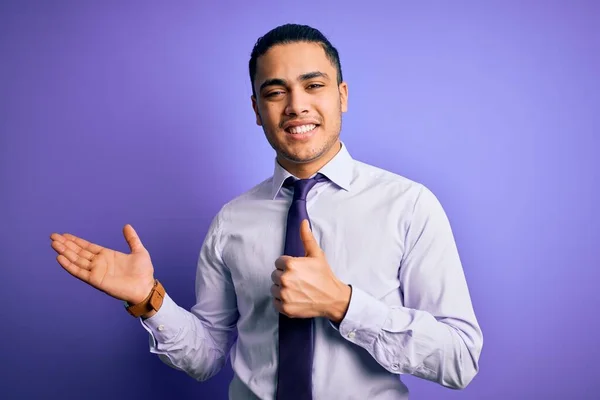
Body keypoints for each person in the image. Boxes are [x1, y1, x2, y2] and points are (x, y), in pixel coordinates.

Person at [50, 23, 483, 400]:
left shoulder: (408, 205)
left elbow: (459, 358)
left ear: (342, 95)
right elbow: (206, 356)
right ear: (257, 110)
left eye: (314, 86)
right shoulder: (231, 221)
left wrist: (344, 305)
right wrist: (149, 301)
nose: (296, 105)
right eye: (276, 92)